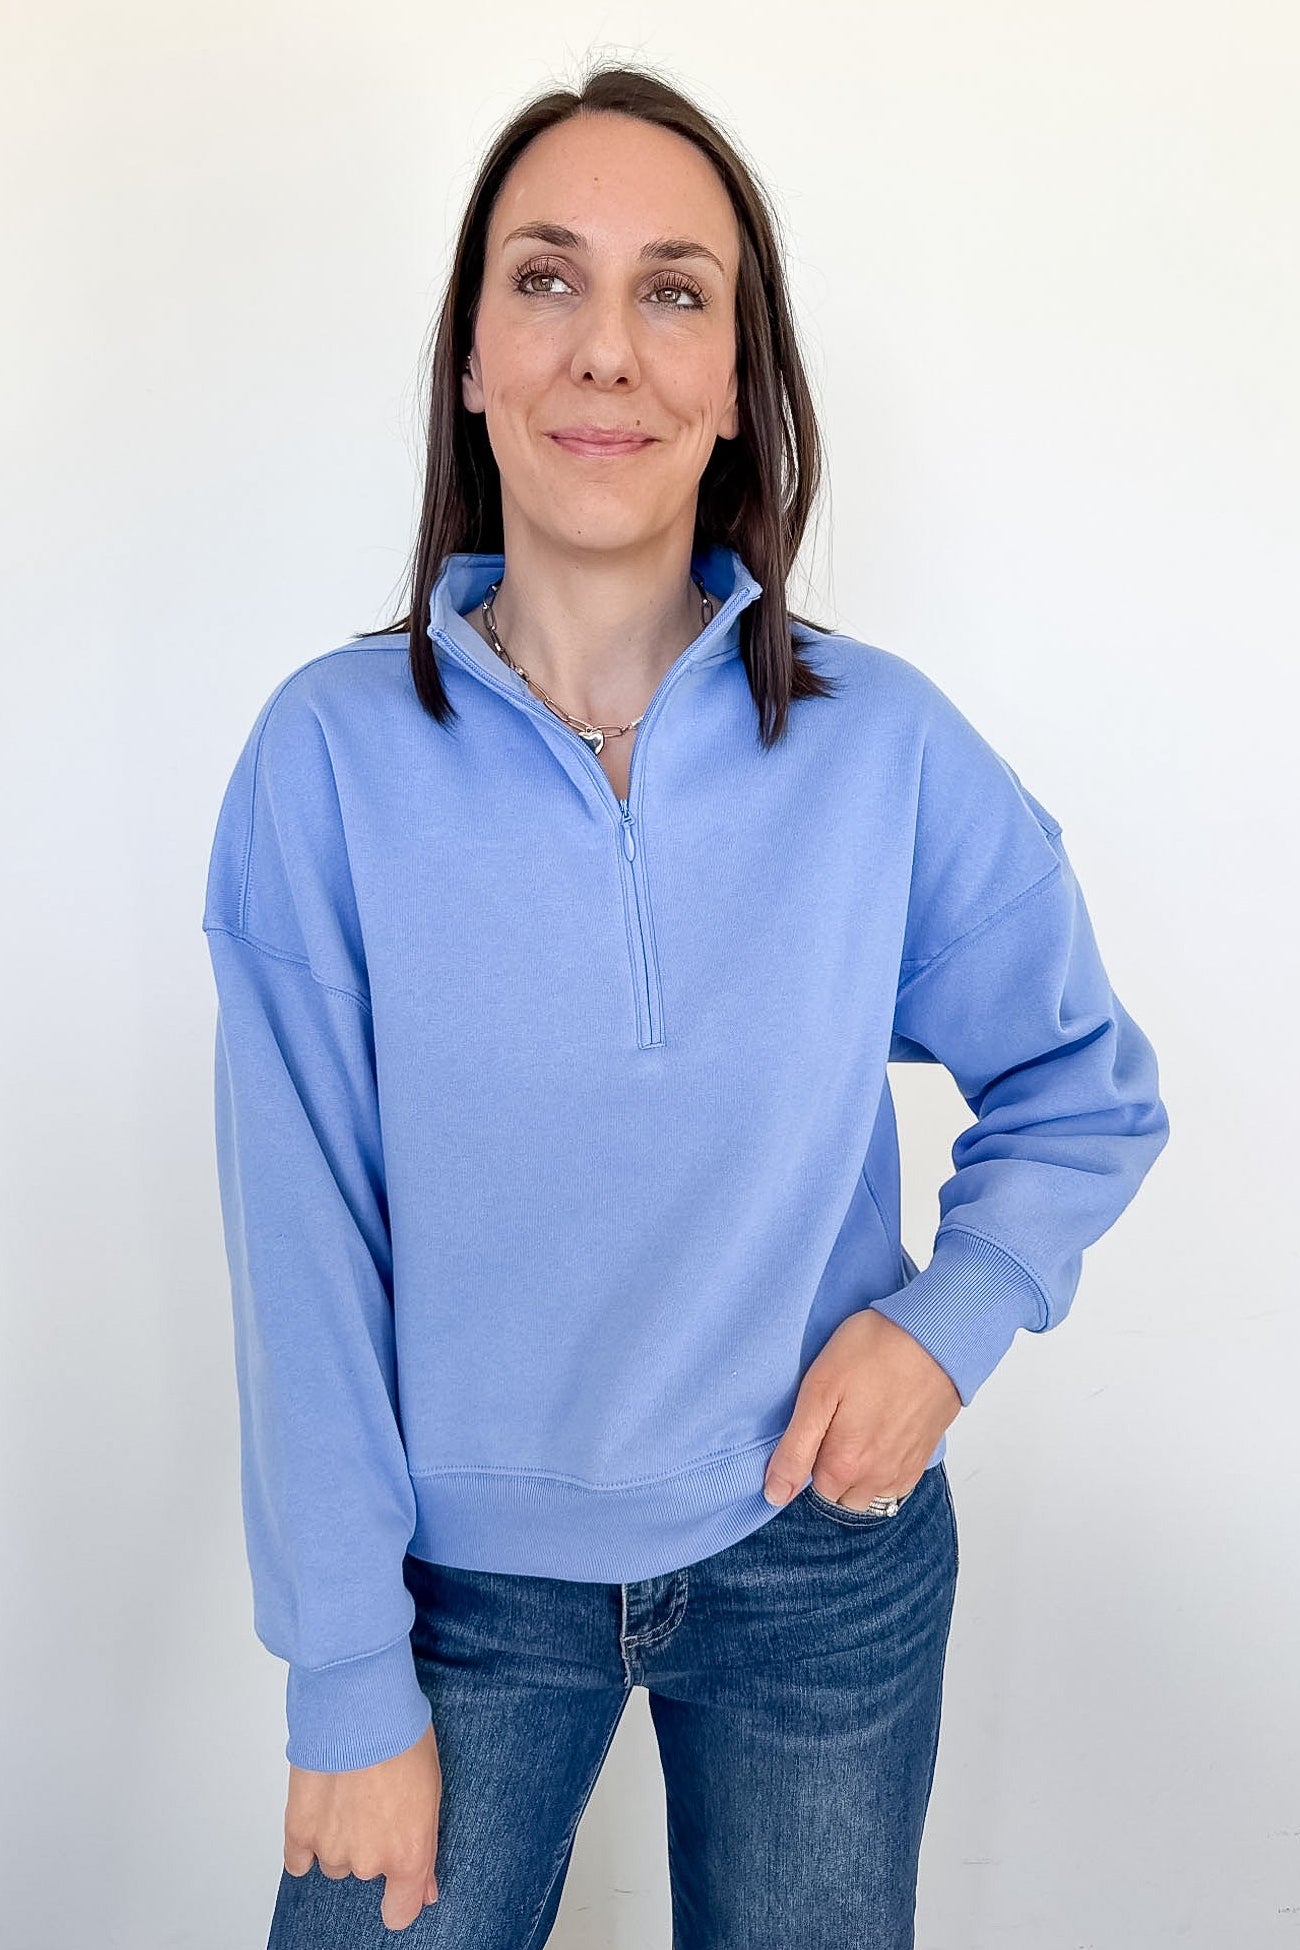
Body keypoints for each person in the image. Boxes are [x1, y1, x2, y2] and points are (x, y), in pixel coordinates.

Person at [201, 61, 1170, 1950]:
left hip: (821, 1563)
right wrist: (343, 1671)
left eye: (675, 290)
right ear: (471, 357)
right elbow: (298, 1241)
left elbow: (1083, 1081)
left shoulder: (883, 747)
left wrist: (947, 1324)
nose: (606, 351)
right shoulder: (326, 757)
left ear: (736, 383)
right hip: (453, 1592)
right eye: (547, 280)